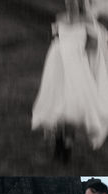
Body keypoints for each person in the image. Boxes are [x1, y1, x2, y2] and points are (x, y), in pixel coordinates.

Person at [31, 0, 108, 161]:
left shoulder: (87, 21)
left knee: (72, 106)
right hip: (57, 64)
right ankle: (59, 141)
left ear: (81, 4)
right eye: (68, 2)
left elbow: (94, 47)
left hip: (76, 65)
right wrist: (59, 42)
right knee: (56, 100)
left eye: (73, 2)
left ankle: (67, 145)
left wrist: (77, 48)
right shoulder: (60, 18)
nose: (70, 5)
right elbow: (54, 38)